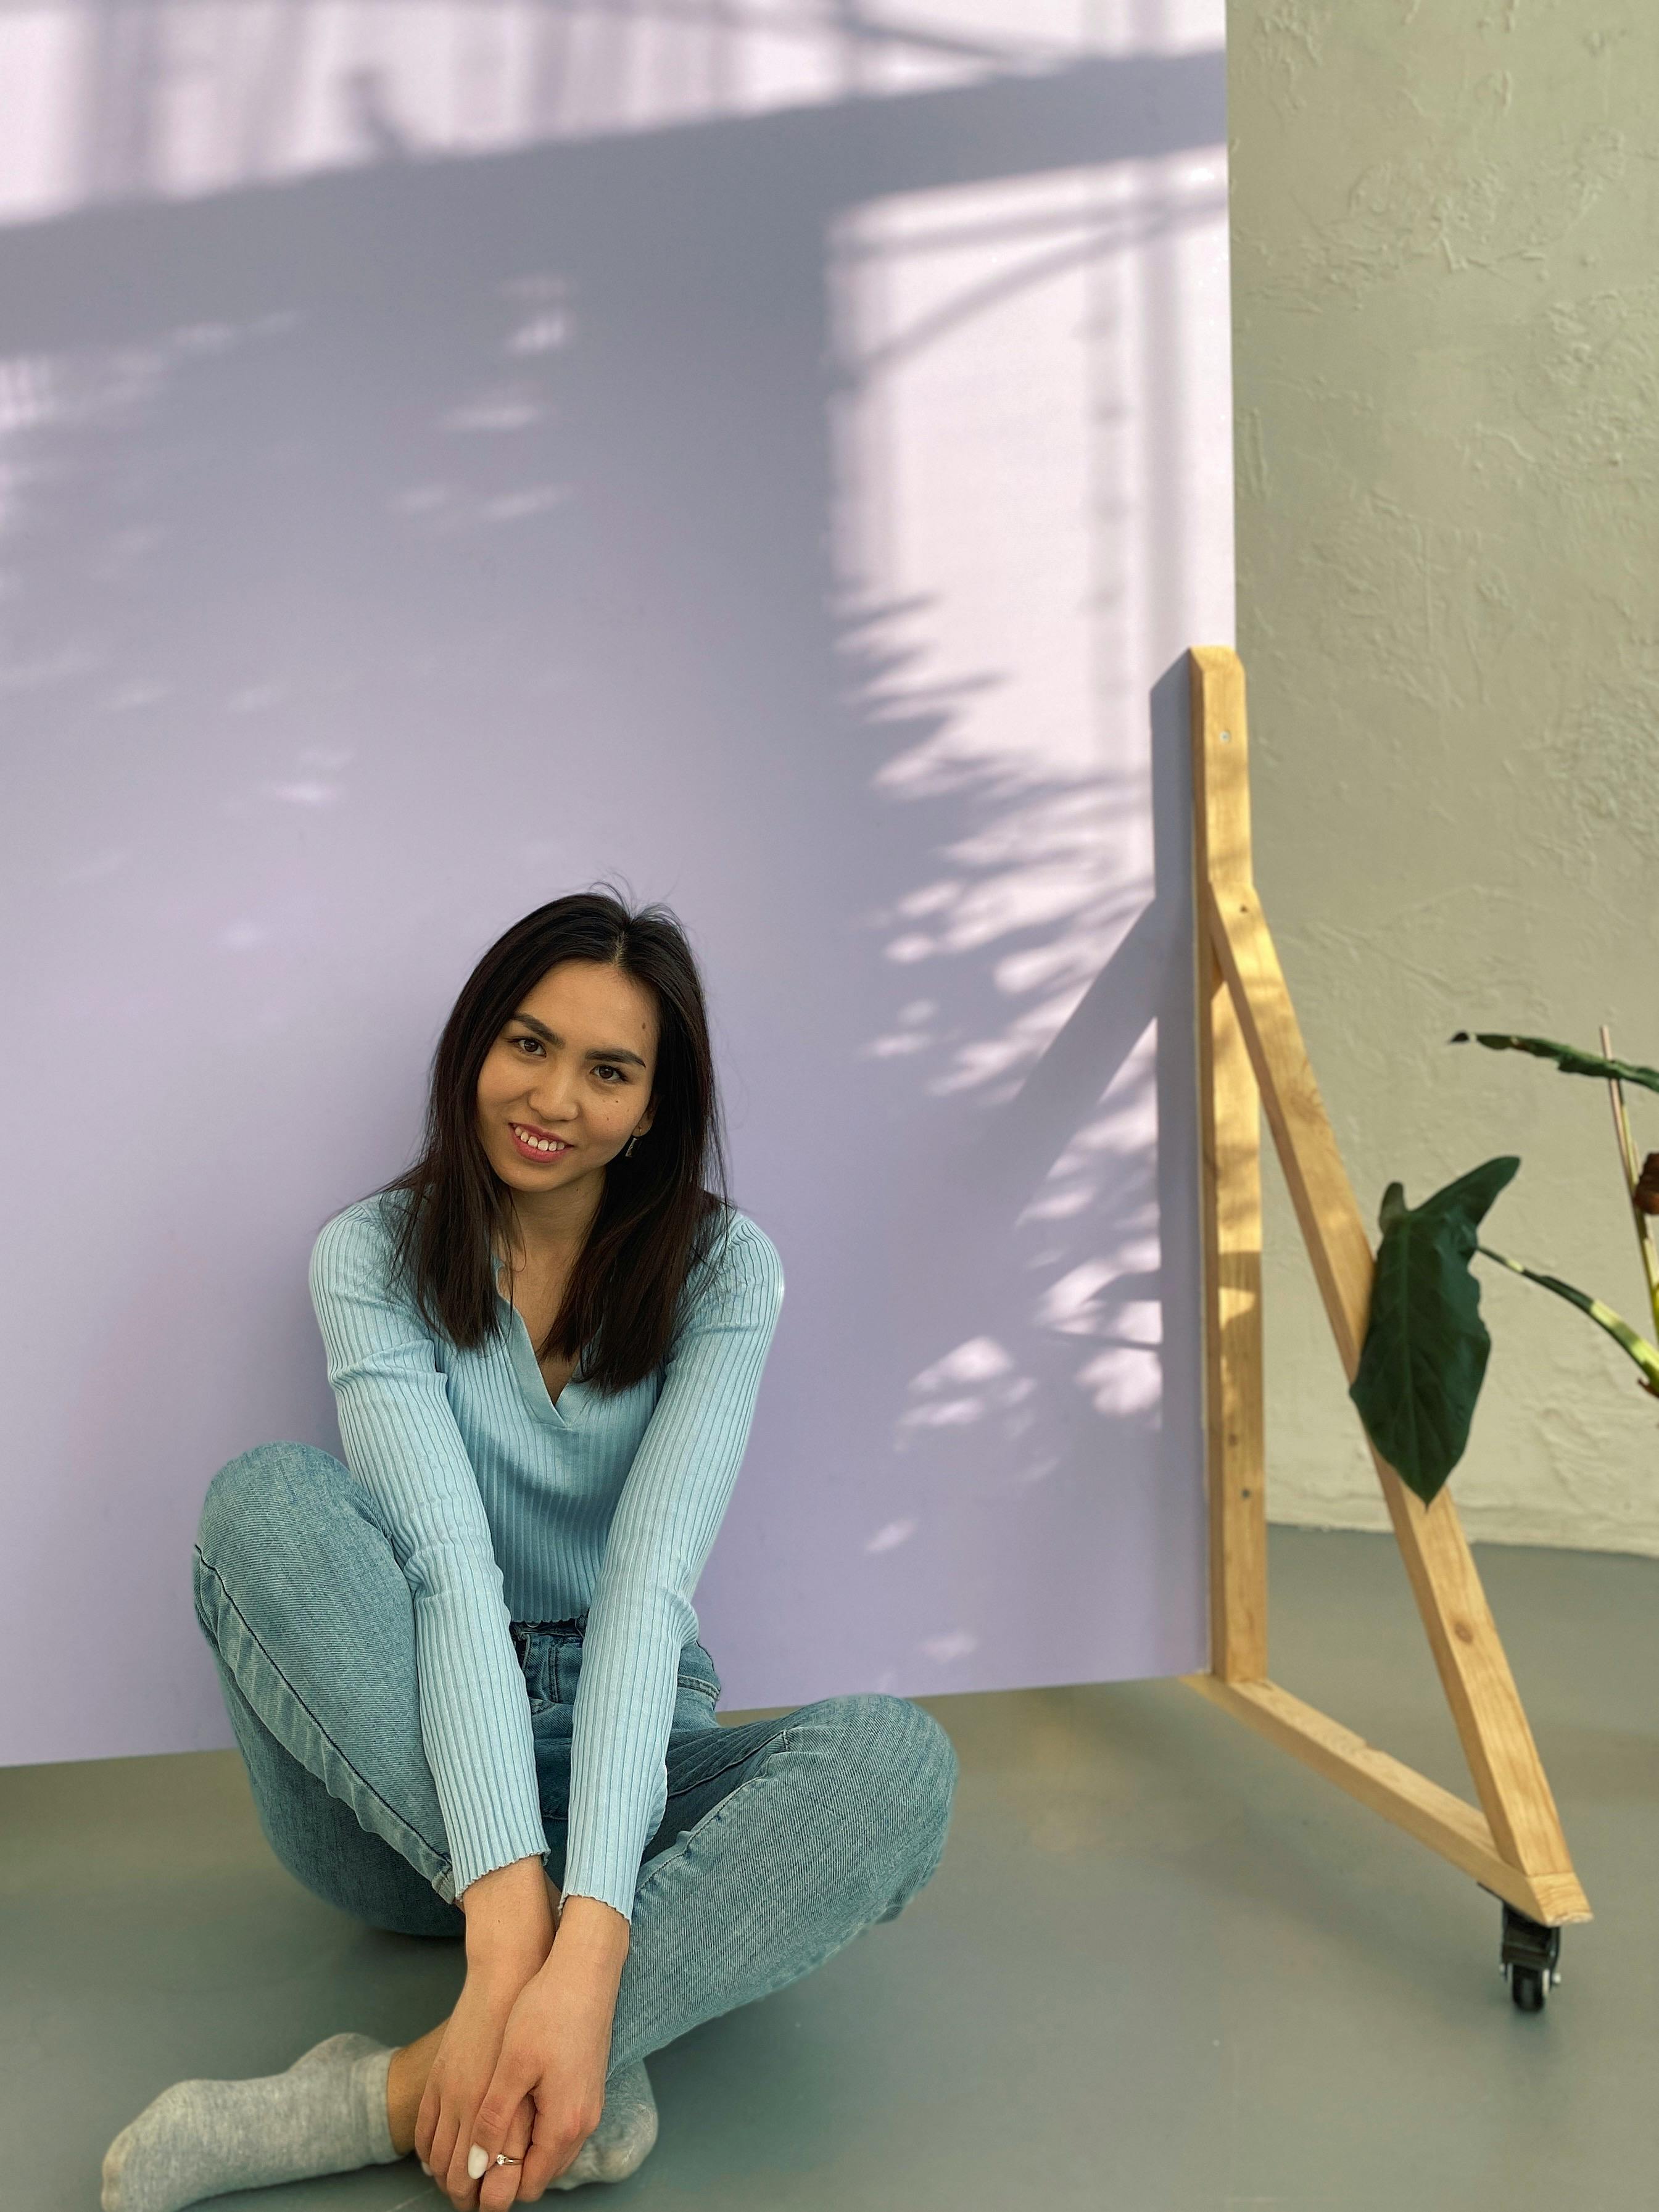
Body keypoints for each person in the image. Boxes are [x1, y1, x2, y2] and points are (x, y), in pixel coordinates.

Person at [101, 887, 958, 2212]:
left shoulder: (725, 1271)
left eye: (609, 1070)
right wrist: (511, 1943)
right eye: (528, 1043)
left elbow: (645, 1595)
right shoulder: (369, 1256)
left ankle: (399, 2088)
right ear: (475, 1047)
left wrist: (592, 1937)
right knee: (263, 1497)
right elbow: (448, 1573)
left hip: (634, 1748)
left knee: (898, 1764)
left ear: (654, 1107)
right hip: (405, 1781)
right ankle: (542, 2007)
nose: (554, 1097)